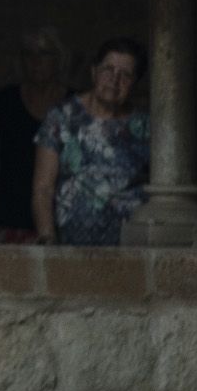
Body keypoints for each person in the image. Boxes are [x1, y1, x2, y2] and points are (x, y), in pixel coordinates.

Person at [33, 36, 149, 246]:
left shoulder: (144, 127)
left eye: (125, 75)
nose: (114, 80)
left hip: (131, 249)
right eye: (108, 70)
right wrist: (47, 238)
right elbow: (43, 187)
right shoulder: (62, 118)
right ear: (94, 71)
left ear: (135, 83)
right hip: (71, 246)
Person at [0, 26, 68, 243]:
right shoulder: (6, 102)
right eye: (29, 54)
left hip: (62, 211)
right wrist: (0, 166)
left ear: (58, 59)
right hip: (12, 209)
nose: (35, 61)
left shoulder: (73, 105)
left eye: (44, 53)